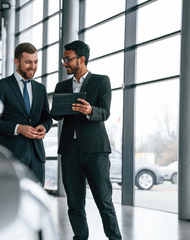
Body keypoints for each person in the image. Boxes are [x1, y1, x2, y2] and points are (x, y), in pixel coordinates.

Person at [51, 40, 122, 240]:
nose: (64, 63)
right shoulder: (62, 85)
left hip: (95, 151)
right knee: (74, 204)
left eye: (68, 59)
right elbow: (56, 115)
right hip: (69, 151)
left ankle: (115, 238)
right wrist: (56, 108)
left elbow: (105, 112)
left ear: (81, 59)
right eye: (63, 59)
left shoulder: (101, 81)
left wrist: (90, 110)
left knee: (104, 201)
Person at [0, 42, 52, 186]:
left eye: (35, 62)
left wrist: (44, 127)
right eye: (28, 62)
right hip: (11, 155)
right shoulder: (2, 85)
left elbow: (47, 118)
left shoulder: (40, 89)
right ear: (16, 61)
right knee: (9, 200)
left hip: (36, 157)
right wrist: (18, 128)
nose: (33, 66)